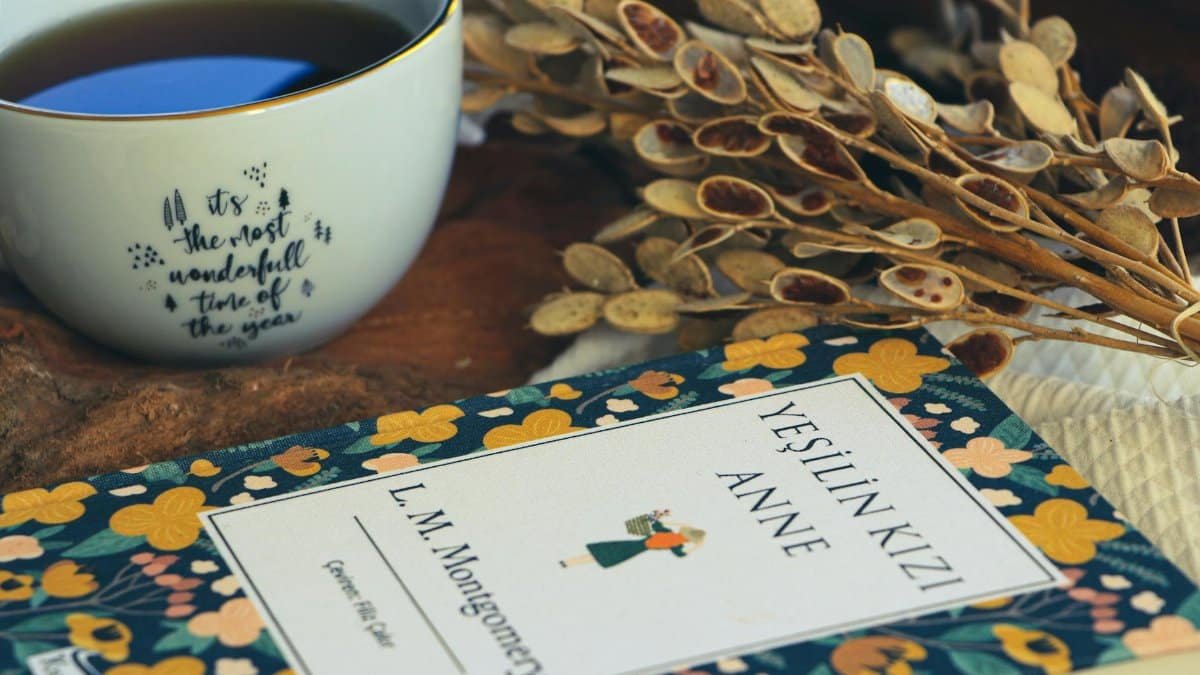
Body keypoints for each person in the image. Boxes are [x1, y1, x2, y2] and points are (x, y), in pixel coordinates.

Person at [560, 519, 706, 569]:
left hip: (633, 546)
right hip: (634, 549)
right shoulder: (675, 543)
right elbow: (680, 555)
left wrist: (677, 523)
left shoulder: (668, 533)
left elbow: (655, 522)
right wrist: (695, 548)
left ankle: (568, 562)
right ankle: (568, 563)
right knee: (600, 556)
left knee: (598, 554)